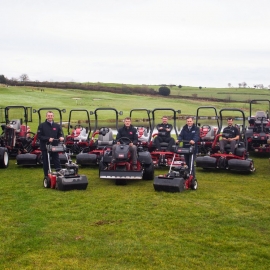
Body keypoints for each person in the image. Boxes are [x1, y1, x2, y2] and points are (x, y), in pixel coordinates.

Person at [37, 111, 64, 178]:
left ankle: (59, 173)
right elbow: (39, 136)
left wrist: (61, 137)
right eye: (48, 115)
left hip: (54, 146)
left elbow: (60, 134)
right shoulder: (42, 125)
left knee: (56, 160)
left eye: (51, 115)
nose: (50, 117)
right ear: (46, 116)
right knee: (46, 161)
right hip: (45, 146)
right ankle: (47, 175)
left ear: (53, 116)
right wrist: (48, 139)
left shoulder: (57, 126)